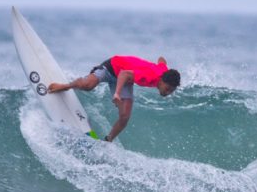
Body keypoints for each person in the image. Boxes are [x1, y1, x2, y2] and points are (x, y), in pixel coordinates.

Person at [48, 55, 180, 142]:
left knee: (125, 117)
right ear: (162, 80)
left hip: (126, 78)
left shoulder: (164, 73)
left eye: (171, 91)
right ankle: (65, 86)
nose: (167, 93)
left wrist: (151, 64)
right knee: (88, 85)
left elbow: (161, 60)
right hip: (112, 67)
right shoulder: (149, 76)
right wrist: (117, 94)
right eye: (167, 89)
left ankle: (107, 141)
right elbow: (123, 73)